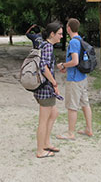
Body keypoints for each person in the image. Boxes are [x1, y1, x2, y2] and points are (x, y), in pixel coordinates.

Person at [56, 18, 93, 140]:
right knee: (85, 104)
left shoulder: (73, 42)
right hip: (82, 77)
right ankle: (89, 129)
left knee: (72, 106)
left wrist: (63, 65)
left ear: (68, 28)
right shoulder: (80, 40)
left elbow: (75, 61)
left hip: (74, 79)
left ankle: (70, 133)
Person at [34, 21, 64, 158]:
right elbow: (43, 67)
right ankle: (41, 150)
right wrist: (54, 83)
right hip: (46, 88)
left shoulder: (45, 45)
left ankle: (46, 142)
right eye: (59, 34)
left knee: (54, 113)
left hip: (45, 88)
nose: (61, 36)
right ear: (52, 34)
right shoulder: (48, 47)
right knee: (44, 120)